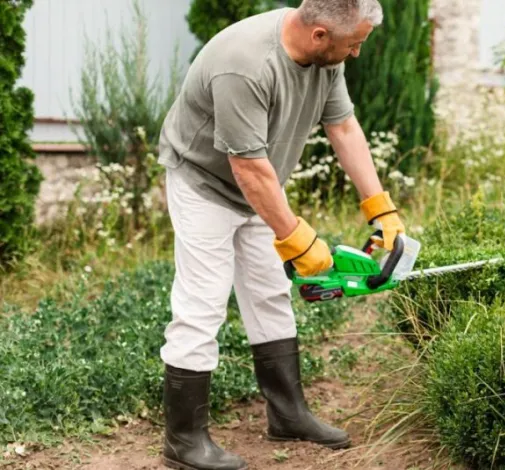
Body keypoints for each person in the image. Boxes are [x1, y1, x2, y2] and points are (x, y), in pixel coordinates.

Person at [154, 1, 403, 469]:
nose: (356, 54)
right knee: (203, 303)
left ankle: (288, 414)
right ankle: (183, 440)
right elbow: (246, 168)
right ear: (320, 35)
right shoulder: (245, 64)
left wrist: (379, 207)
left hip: (261, 182)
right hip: (205, 183)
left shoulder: (325, 58)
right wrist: (296, 238)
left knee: (270, 293)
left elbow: (343, 127)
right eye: (354, 45)